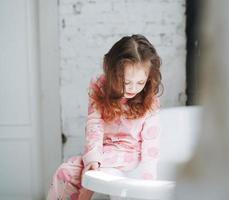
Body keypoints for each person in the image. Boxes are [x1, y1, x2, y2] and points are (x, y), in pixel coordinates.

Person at [47, 34, 163, 200]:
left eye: (140, 82)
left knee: (84, 174)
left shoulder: (150, 100)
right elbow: (94, 125)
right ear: (113, 74)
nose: (133, 88)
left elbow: (152, 142)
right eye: (126, 82)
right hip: (103, 150)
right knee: (65, 171)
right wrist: (92, 158)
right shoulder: (100, 86)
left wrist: (148, 183)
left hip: (129, 153)